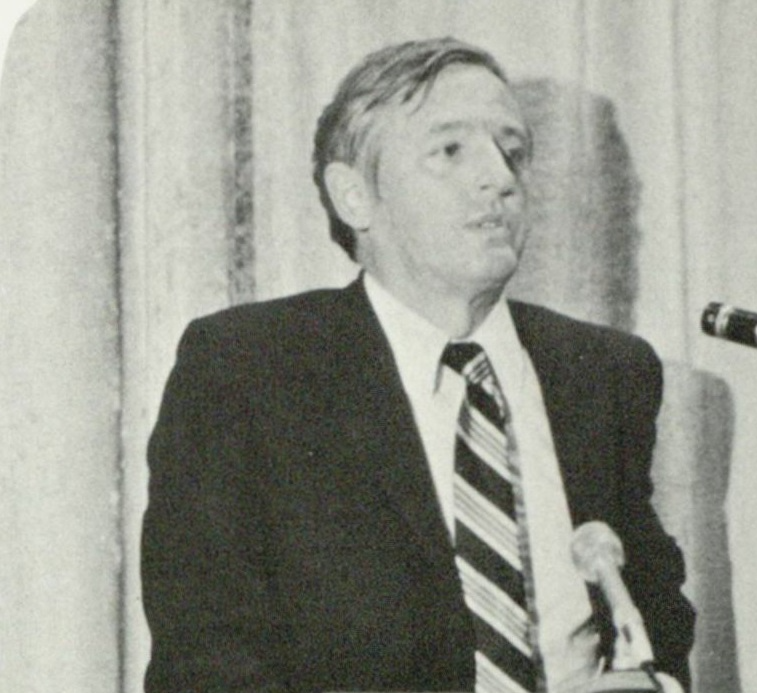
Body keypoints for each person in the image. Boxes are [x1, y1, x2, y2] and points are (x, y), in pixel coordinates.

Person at [141, 37, 694, 693]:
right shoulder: (248, 370)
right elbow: (205, 670)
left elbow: (658, 622)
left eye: (513, 151)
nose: (500, 177)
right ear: (353, 196)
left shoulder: (603, 372)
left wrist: (657, 686)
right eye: (450, 150)